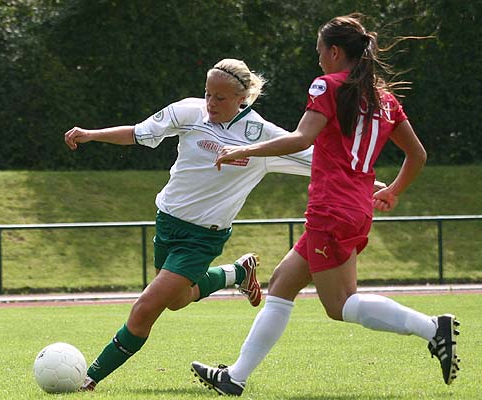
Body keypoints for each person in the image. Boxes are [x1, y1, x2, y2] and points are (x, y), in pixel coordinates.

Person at [191, 14, 460, 396]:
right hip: (354, 210)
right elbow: (417, 155)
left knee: (340, 305)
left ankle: (432, 328)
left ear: (334, 52)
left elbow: (302, 139)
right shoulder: (384, 99)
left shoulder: (327, 86)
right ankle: (235, 377)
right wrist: (392, 190)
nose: (318, 59)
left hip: (331, 210)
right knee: (282, 283)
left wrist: (244, 150)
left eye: (319, 51)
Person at [63, 58, 313, 391]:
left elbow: (321, 161)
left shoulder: (263, 136)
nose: (211, 103)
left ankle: (89, 378)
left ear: (242, 98)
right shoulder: (189, 112)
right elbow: (138, 133)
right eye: (208, 94)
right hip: (166, 223)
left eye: (220, 98)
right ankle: (237, 272)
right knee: (177, 300)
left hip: (202, 239)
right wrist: (91, 134)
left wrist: (372, 184)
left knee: (145, 308)